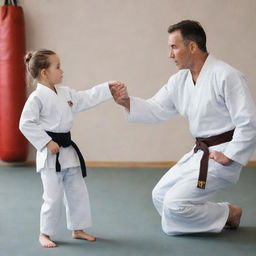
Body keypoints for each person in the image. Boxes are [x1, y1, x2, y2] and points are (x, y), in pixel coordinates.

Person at [114, 20, 256, 235]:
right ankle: (225, 214)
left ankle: (227, 213)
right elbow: (156, 108)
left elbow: (249, 120)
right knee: (160, 196)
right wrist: (126, 102)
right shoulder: (179, 80)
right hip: (199, 153)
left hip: (221, 154)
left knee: (174, 205)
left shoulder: (227, 75)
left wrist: (231, 154)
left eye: (174, 47)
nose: (170, 55)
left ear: (192, 47)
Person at [19, 49, 125, 247]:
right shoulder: (36, 98)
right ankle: (45, 233)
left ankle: (78, 228)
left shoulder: (65, 93)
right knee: (53, 197)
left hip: (68, 152)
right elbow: (25, 124)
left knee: (78, 191)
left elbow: (86, 97)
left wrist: (106, 88)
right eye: (57, 67)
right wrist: (46, 142)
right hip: (51, 156)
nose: (62, 71)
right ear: (44, 72)